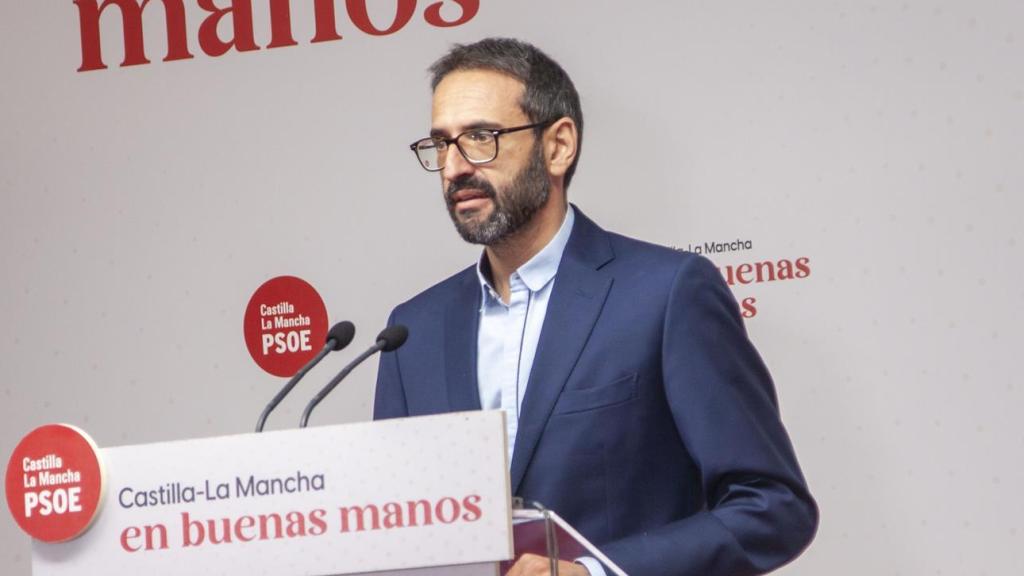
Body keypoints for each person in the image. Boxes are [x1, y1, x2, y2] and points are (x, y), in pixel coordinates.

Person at [374, 37, 817, 576]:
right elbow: (397, 532)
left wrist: (594, 572)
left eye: (480, 138)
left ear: (558, 145)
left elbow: (772, 507)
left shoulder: (666, 294)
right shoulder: (411, 331)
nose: (453, 168)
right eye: (440, 144)